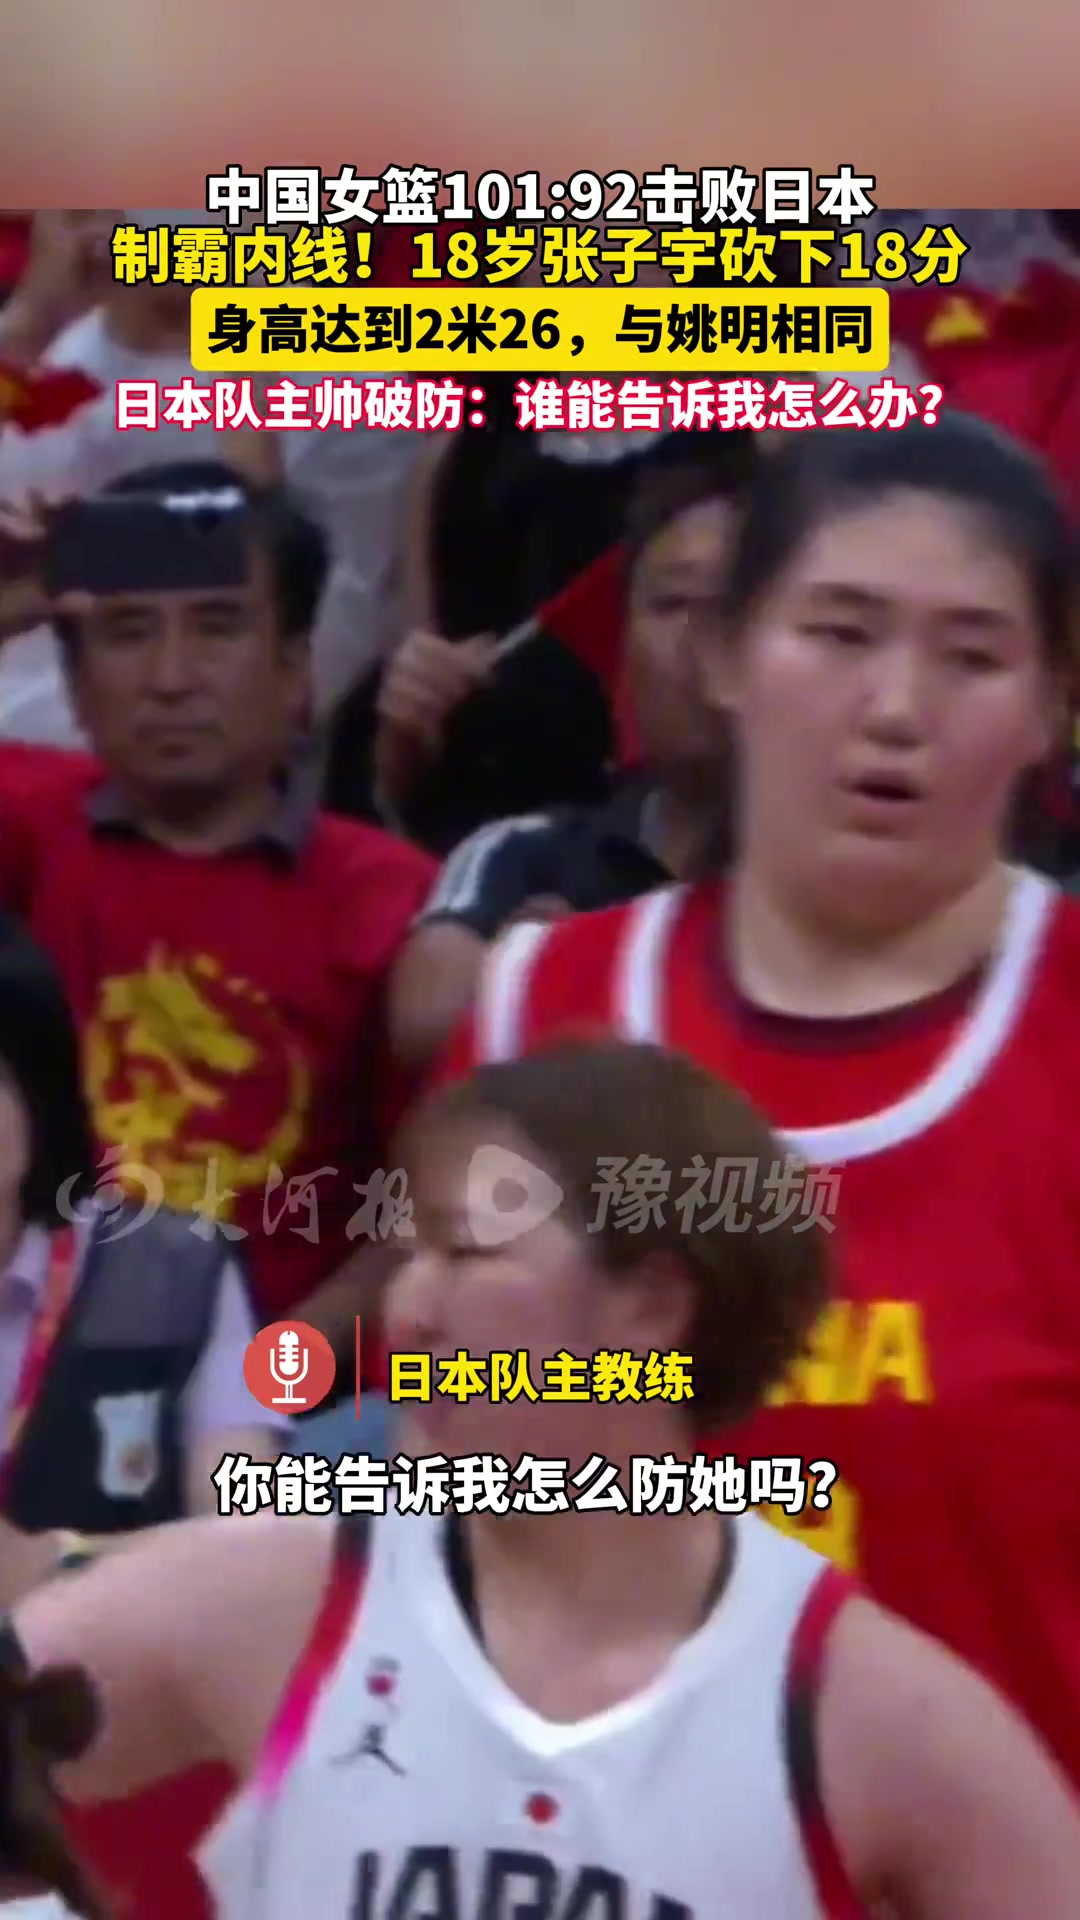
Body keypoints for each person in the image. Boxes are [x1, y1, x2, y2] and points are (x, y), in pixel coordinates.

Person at [2, 1040, 1080, 1920]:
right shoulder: (267, 1595)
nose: (409, 1311)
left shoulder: (870, 1709)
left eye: (466, 1254)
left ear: (652, 1303)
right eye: (408, 1256)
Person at [436, 415, 1080, 1790]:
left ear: (1049, 708)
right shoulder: (541, 1009)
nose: (895, 706)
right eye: (839, 633)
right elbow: (456, 1477)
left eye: (972, 656)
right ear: (724, 654)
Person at [0, 458, 435, 1359]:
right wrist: (16, 602)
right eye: (127, 633)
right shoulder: (28, 827)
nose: (171, 677)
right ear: (73, 681)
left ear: (295, 669)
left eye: (218, 626)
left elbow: (421, 1217)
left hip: (296, 1392)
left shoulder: (393, 901)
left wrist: (251, 1390)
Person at [398, 445, 754, 1065]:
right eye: (671, 604)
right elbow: (423, 1019)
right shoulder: (525, 855)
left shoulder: (843, 867)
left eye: (729, 606)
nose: (698, 643)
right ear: (623, 650)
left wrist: (562, 969)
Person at [0, 913, 283, 1616]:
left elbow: (251, 1548)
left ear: (37, 1095)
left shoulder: (171, 1272)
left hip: (106, 1666)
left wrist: (55, 1563)